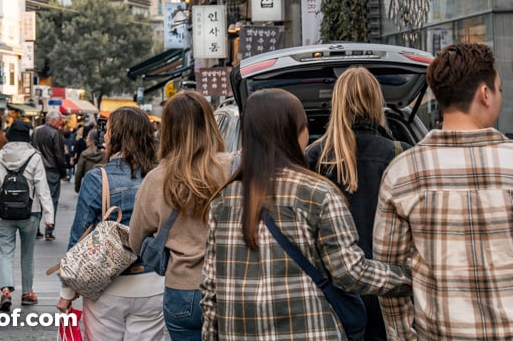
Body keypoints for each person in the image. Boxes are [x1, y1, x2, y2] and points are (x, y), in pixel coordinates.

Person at [201, 89, 410, 340]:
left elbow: (210, 290)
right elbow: (350, 272)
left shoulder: (222, 201)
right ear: (295, 134)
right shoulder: (318, 193)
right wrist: (409, 278)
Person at [374, 42, 513, 340]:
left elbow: (390, 278)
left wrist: (403, 336)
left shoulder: (403, 172)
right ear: (485, 94)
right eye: (499, 89)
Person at [304, 67, 404, 341]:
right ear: (376, 101)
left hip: (334, 289)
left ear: (337, 103)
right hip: (390, 285)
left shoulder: (314, 157)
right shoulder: (401, 154)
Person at [129, 90, 233, 341]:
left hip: (182, 288)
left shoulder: (156, 179)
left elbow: (135, 240)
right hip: (229, 284)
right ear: (210, 124)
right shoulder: (233, 167)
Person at [59, 107, 164, 340]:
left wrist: (67, 290)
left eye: (108, 130)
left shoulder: (98, 178)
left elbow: (80, 237)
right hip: (154, 284)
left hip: (106, 286)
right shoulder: (161, 176)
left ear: (116, 136)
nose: (104, 135)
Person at [0, 119, 54, 312]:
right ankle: (27, 293)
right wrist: (49, 216)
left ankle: (6, 290)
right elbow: (42, 188)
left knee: (5, 252)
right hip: (30, 211)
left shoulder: (1, 155)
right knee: (27, 253)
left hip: (4, 210)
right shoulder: (34, 156)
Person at [31, 110, 67, 239]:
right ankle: (49, 229)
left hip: (37, 169)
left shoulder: (36, 131)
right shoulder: (55, 133)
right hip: (52, 170)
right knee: (52, 200)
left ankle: (35, 229)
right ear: (53, 120)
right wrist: (64, 172)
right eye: (59, 120)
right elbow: (59, 154)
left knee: (38, 199)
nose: (60, 122)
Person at [73, 128, 106, 193]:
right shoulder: (106, 153)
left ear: (92, 141)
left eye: (88, 138)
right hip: (103, 186)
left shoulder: (84, 154)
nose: (86, 140)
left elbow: (79, 173)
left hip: (88, 185)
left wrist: (77, 187)